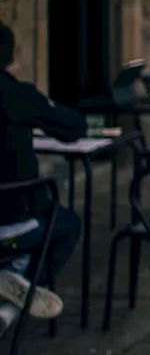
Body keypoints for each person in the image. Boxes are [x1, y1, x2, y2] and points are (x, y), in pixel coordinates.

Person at [0, 21, 86, 331]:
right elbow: (74, 128)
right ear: (10, 57)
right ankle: (9, 304)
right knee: (67, 226)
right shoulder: (15, 95)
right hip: (11, 220)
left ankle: (11, 279)